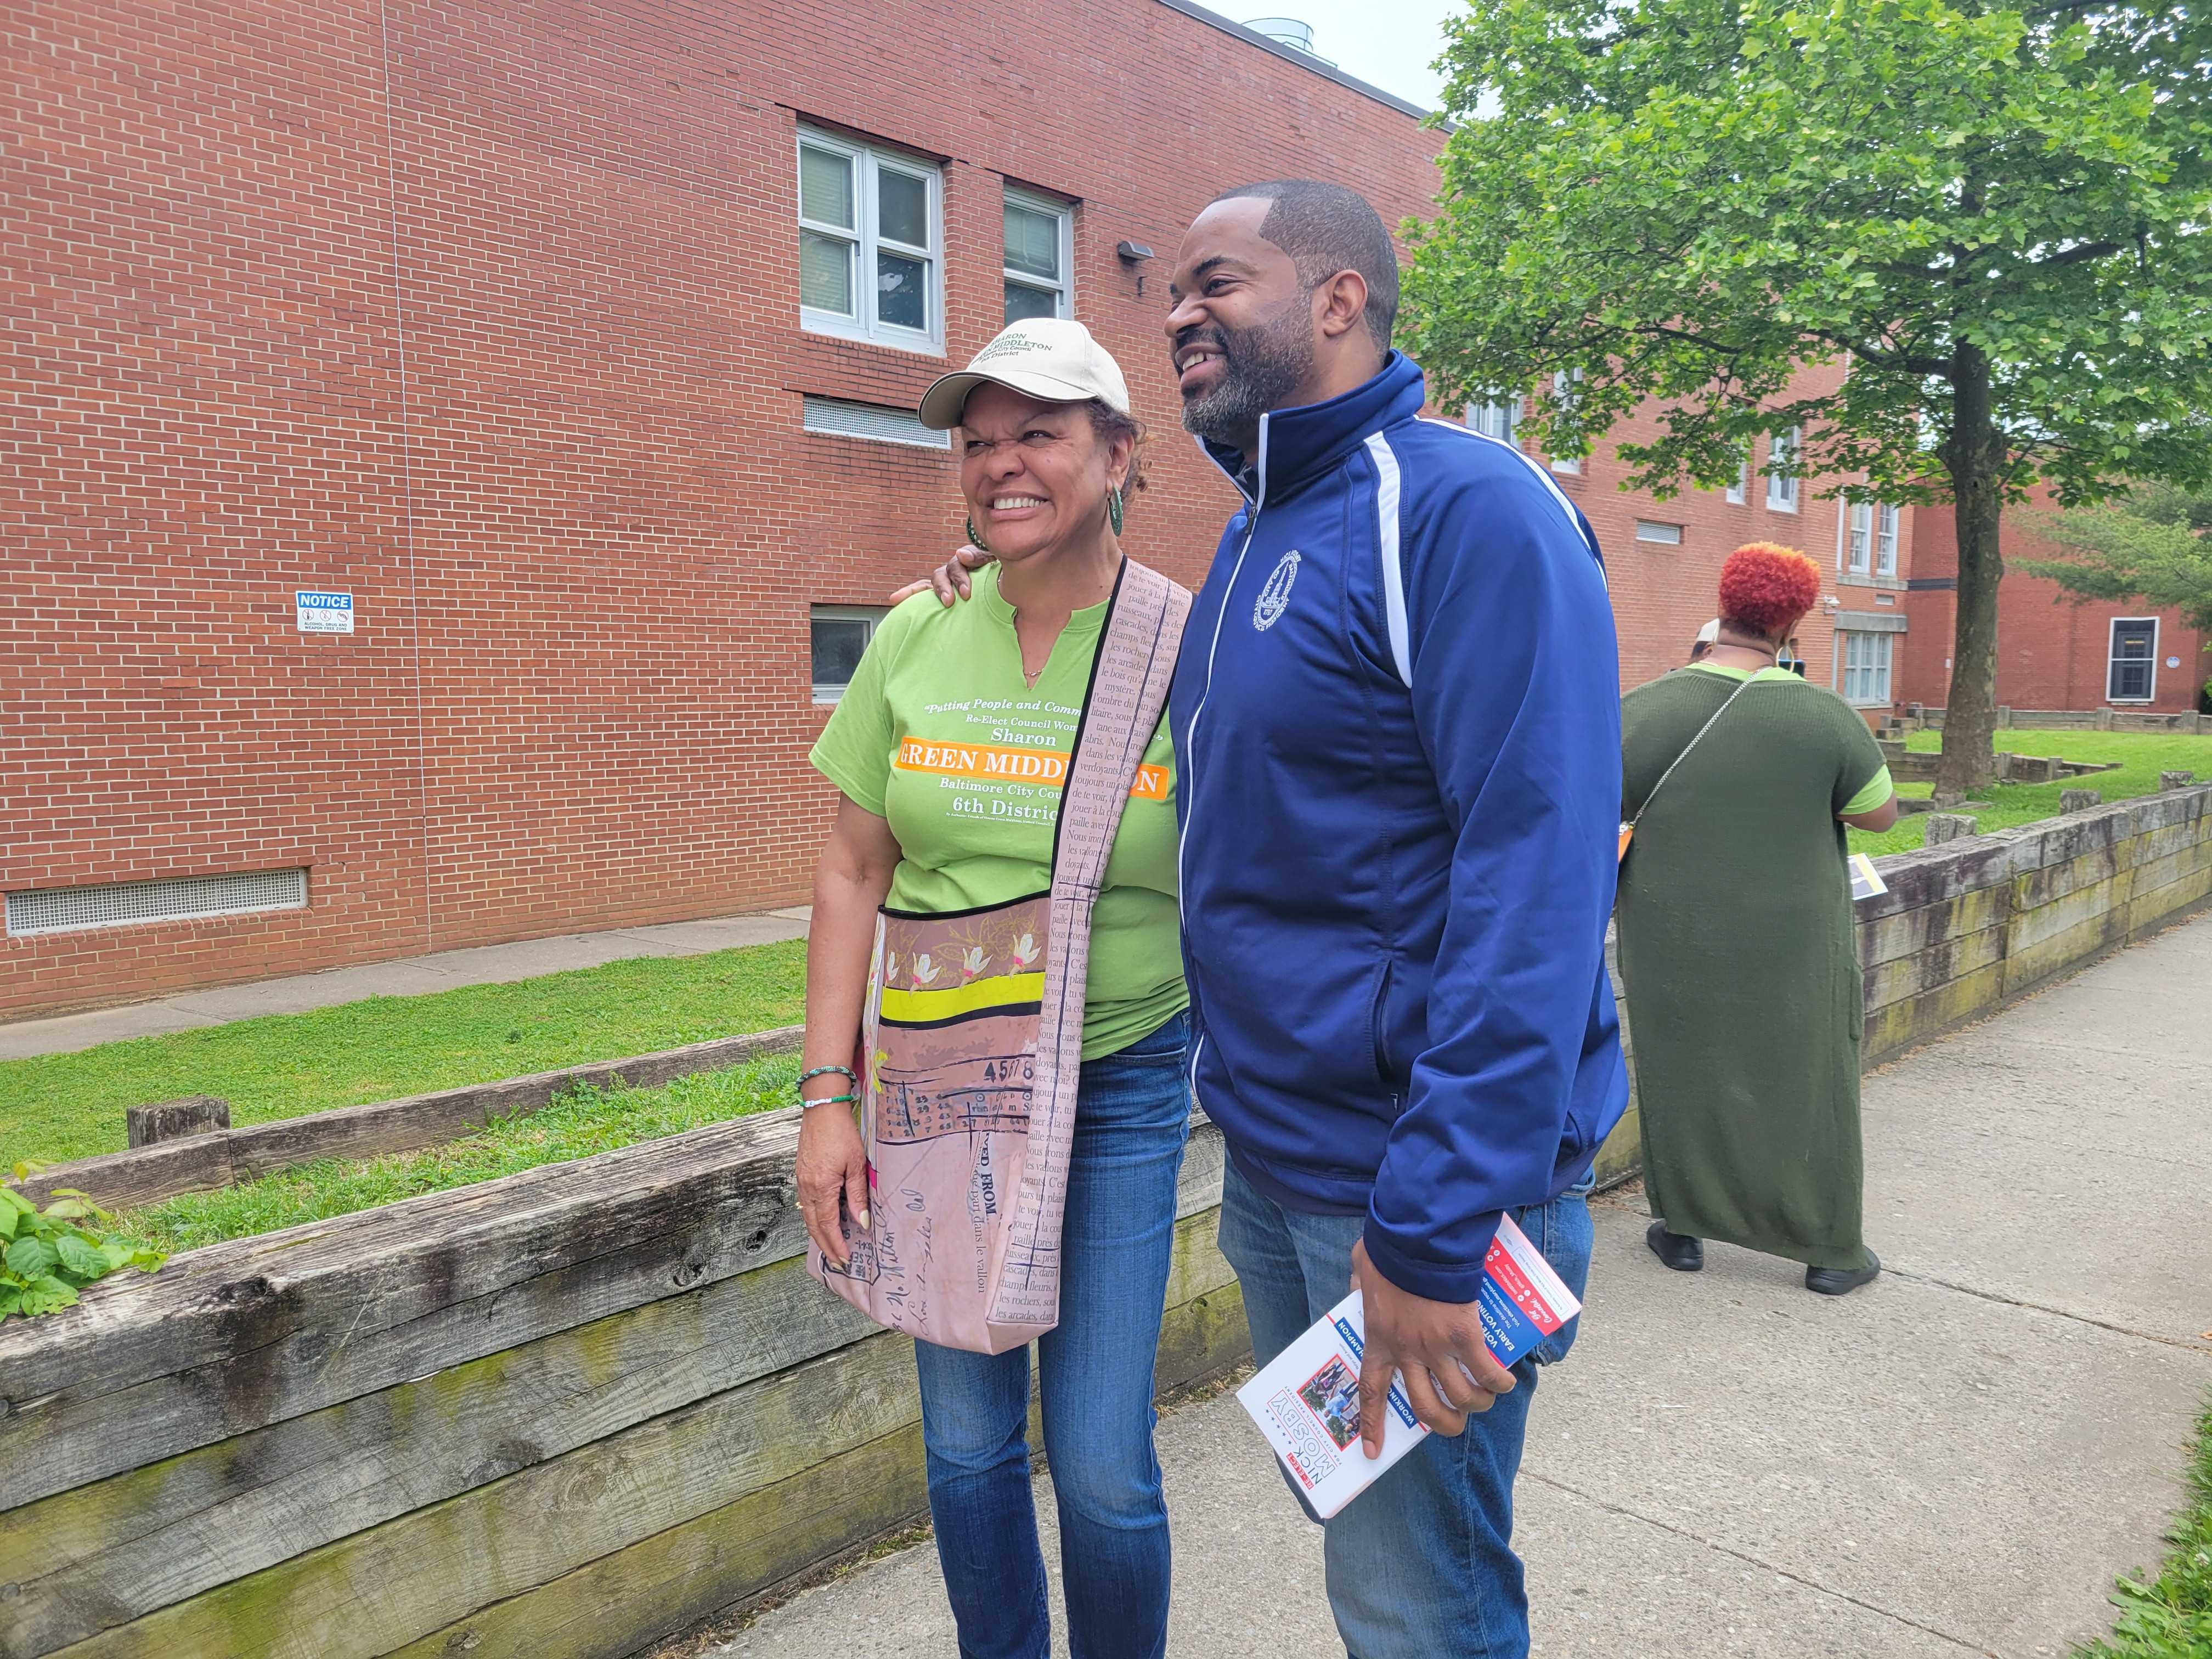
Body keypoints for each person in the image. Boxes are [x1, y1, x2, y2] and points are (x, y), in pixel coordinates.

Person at [905, 180, 1627, 1659]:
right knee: (1373, 1554)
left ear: (1341, 299)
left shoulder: (1466, 511)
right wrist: (1005, 569)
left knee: (1418, 1594)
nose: (1178, 315)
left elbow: (1533, 888)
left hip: (1419, 1198)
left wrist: (1428, 1236)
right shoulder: (1252, 540)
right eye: (1171, 293)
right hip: (1283, 1167)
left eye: (1217, 282)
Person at [794, 317, 1192, 1659]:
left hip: (1122, 1076)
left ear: (1120, 455)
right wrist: (824, 1099)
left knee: (1100, 1467)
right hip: (934, 1082)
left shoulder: (1187, 650)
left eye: (1040, 433)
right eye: (979, 443)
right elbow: (851, 874)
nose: (1001, 464)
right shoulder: (917, 631)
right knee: (967, 1448)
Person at [1616, 543, 1899, 1296]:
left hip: (1671, 933)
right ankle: (1830, 1247)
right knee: (1811, 1075)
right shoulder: (1824, 715)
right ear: (1796, 620)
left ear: (1722, 602)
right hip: (1794, 940)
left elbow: (1596, 810)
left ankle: (1681, 1229)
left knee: (1683, 1070)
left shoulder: (1642, 709)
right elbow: (1877, 817)